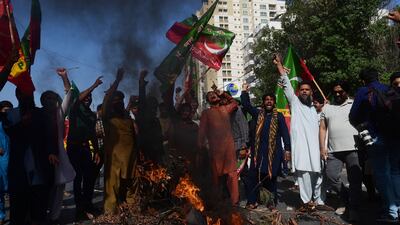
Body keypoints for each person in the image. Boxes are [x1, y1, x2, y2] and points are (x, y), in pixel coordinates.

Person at [273, 54, 325, 209]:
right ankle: (306, 202)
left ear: (311, 92)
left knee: (319, 175)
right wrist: (279, 66)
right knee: (303, 176)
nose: (304, 91)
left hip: (316, 148)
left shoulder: (315, 109)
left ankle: (317, 201)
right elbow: (287, 85)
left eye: (307, 90)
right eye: (301, 89)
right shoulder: (295, 103)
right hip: (302, 148)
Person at [349, 68, 399, 223]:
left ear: (363, 80)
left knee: (382, 174)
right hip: (395, 137)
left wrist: (362, 127)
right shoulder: (388, 89)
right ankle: (397, 206)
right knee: (395, 172)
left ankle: (391, 212)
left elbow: (353, 116)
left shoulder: (363, 91)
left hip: (375, 137)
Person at [3, 88, 56, 225]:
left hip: (39, 167)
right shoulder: (10, 114)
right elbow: (9, 132)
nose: (27, 96)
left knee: (38, 210)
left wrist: (51, 152)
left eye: (29, 93)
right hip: (18, 169)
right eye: (23, 93)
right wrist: (22, 124)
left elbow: (49, 135)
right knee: (18, 210)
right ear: (17, 95)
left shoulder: (41, 114)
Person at [241, 85, 291, 209]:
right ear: (263, 102)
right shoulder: (258, 114)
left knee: (271, 177)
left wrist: (288, 149)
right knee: (254, 176)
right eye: (266, 99)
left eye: (271, 99)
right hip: (258, 152)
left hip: (274, 153)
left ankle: (271, 202)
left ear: (274, 102)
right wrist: (244, 91)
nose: (269, 101)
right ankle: (252, 201)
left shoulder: (279, 116)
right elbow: (246, 105)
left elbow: (285, 134)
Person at [319, 81, 362, 222]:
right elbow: (323, 128)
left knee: (355, 180)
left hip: (353, 149)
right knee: (331, 176)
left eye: (341, 91)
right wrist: (322, 147)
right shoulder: (327, 108)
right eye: (335, 92)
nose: (337, 94)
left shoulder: (354, 104)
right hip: (333, 150)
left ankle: (354, 208)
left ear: (346, 92)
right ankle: (346, 199)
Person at [102, 68, 138, 213]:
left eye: (120, 101)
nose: (118, 103)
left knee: (131, 183)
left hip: (131, 157)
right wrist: (117, 81)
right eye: (115, 101)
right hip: (114, 158)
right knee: (112, 185)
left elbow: (134, 137)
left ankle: (132, 208)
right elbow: (107, 99)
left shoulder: (127, 118)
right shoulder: (107, 117)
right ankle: (110, 212)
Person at [67, 76, 102, 221]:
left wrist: (97, 151)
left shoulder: (92, 115)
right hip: (74, 148)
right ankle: (79, 209)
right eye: (86, 97)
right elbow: (78, 98)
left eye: (90, 98)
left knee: (89, 178)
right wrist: (93, 86)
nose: (88, 99)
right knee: (77, 179)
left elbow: (93, 134)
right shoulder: (75, 109)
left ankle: (88, 205)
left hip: (86, 148)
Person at [198, 88, 239, 206]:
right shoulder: (206, 113)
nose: (212, 95)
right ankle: (217, 202)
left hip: (229, 150)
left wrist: (224, 94)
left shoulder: (225, 109)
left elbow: (235, 103)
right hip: (216, 151)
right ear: (208, 101)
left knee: (232, 175)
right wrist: (200, 148)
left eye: (214, 94)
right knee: (216, 177)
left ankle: (234, 202)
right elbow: (201, 132)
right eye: (210, 95)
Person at [0, 101, 12, 224]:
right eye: (5, 110)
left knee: (14, 190)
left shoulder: (14, 124)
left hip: (13, 161)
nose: (7, 113)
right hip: (0, 162)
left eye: (10, 110)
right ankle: (1, 216)